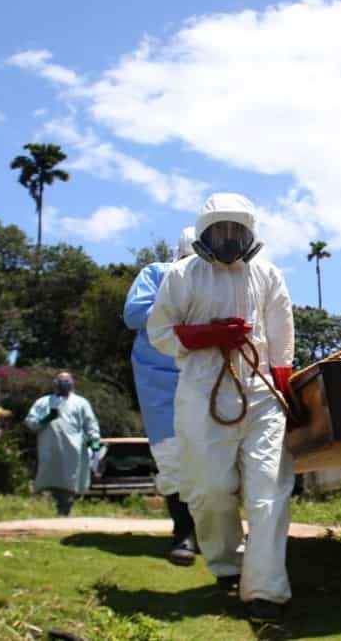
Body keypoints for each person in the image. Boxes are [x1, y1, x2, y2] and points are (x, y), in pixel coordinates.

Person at [147, 193, 295, 622]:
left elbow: (283, 333)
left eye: (237, 230)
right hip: (201, 390)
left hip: (261, 392)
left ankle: (266, 590)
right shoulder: (181, 274)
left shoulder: (267, 275)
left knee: (268, 491)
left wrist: (284, 388)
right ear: (205, 232)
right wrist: (205, 336)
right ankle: (227, 564)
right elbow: (159, 330)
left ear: (250, 233)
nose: (229, 238)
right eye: (220, 229)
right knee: (209, 490)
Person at [123, 227, 201, 565]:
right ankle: (183, 531)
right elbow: (134, 314)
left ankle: (216, 531)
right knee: (172, 457)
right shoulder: (156, 274)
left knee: (216, 454)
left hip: (207, 376)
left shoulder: (226, 280)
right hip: (161, 379)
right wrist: (178, 300)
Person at [25, 372, 101, 516]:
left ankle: (64, 509)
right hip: (49, 450)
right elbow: (31, 423)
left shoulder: (81, 403)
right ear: (55, 383)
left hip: (72, 451)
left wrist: (94, 443)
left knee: (69, 481)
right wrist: (47, 418)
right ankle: (55, 509)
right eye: (61, 381)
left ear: (72, 383)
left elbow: (91, 424)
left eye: (67, 381)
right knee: (51, 480)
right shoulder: (43, 402)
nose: (64, 383)